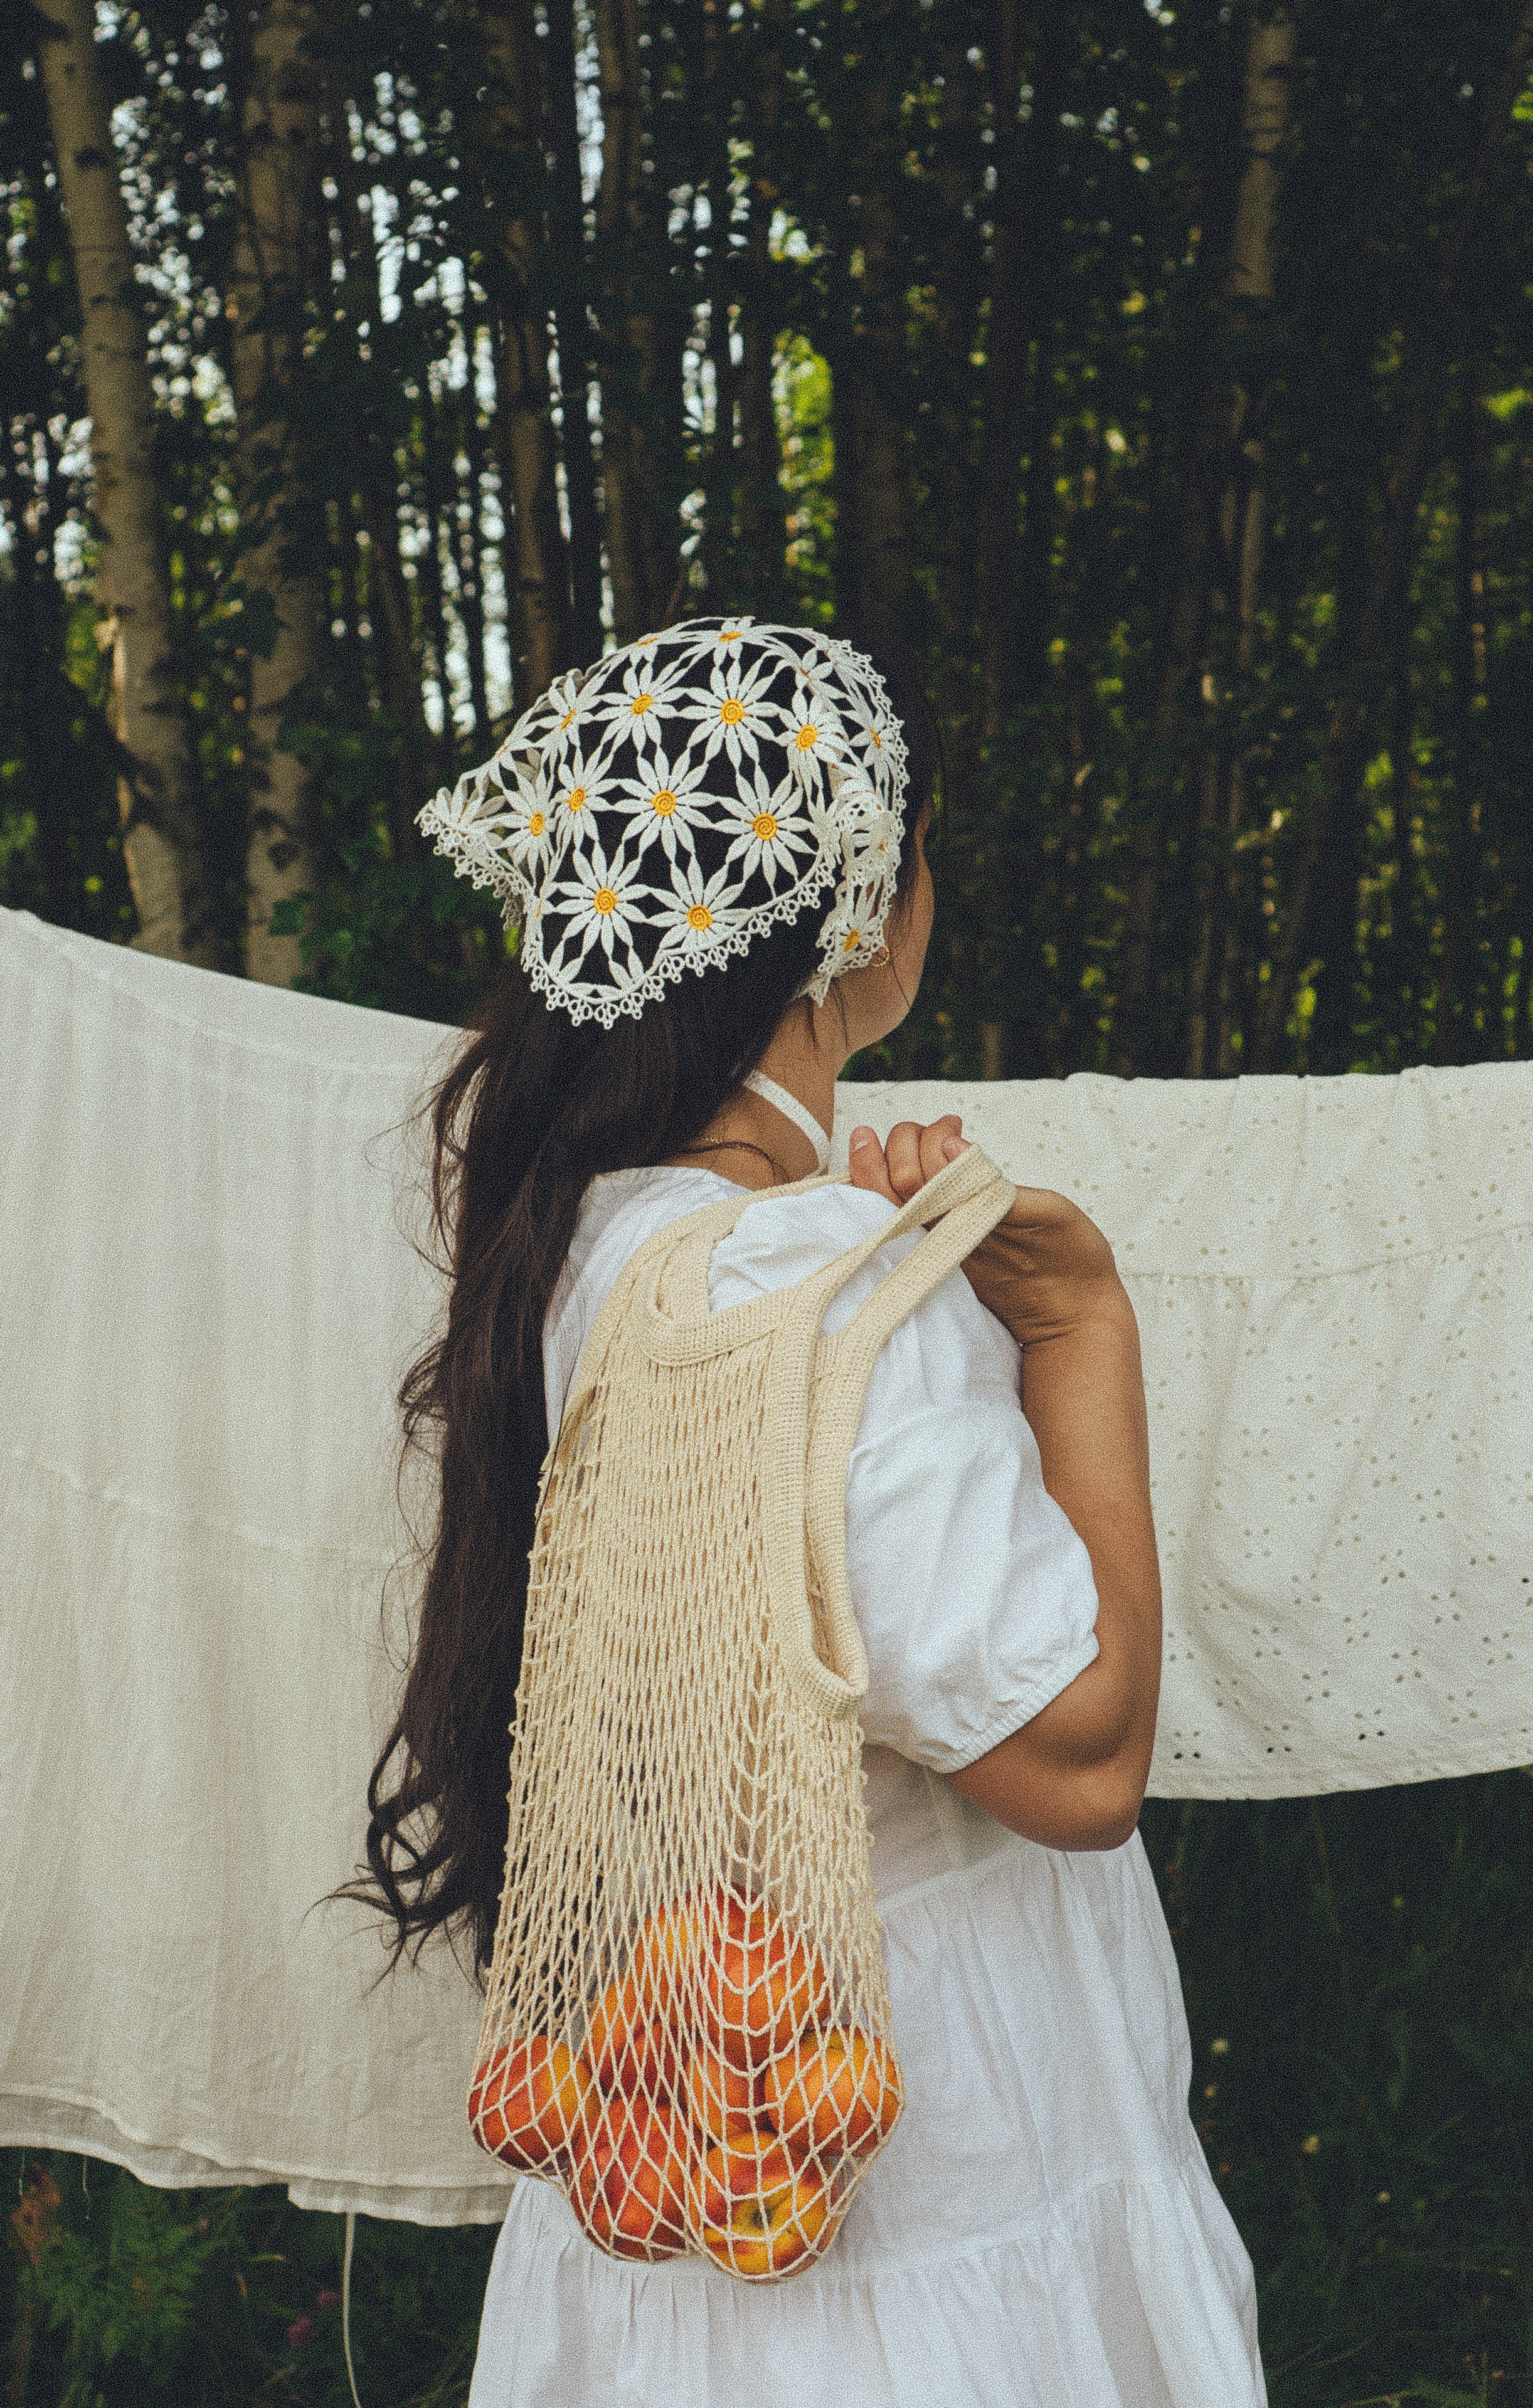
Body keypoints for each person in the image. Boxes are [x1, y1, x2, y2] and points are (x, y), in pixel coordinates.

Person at [363, 617, 1265, 2405]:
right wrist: (1080, 1333)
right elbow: (1074, 1758)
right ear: (863, 896)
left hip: (679, 2144)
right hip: (922, 2183)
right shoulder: (810, 1282)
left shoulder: (578, 1250)